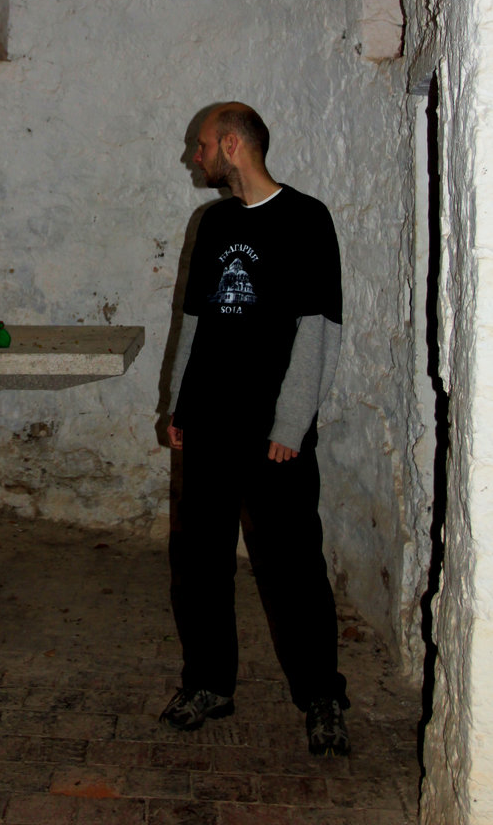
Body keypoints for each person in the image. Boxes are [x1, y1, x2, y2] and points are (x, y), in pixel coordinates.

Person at [161, 101, 350, 756]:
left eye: (203, 145)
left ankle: (322, 696)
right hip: (209, 423)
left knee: (291, 566)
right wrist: (179, 406)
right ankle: (210, 683)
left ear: (233, 145)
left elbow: (318, 328)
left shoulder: (306, 220)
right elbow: (195, 321)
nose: (196, 156)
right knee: (201, 559)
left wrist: (292, 423)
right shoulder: (211, 223)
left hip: (272, 430)